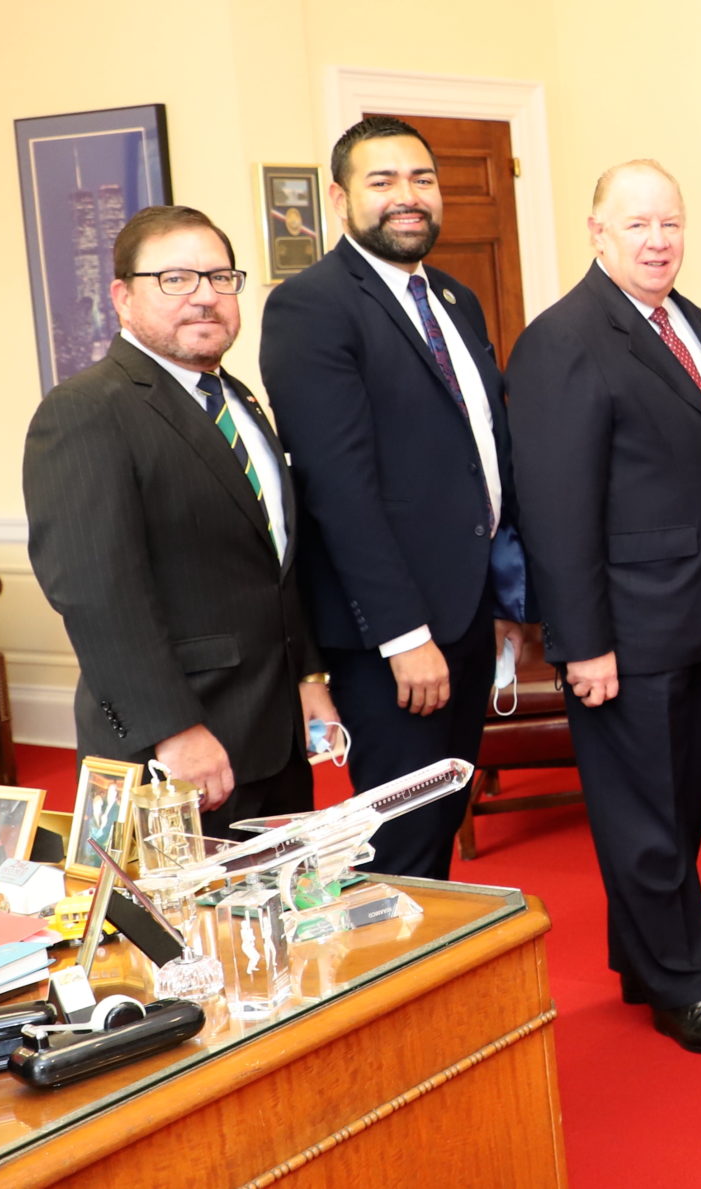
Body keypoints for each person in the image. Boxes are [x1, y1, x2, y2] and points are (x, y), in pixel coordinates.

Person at [506, 161, 701, 1056]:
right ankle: (680, 986)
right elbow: (556, 510)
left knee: (681, 806)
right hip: (624, 633)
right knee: (644, 818)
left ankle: (650, 955)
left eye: (672, 224)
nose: (659, 241)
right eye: (639, 225)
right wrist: (583, 643)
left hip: (700, 614)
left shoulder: (685, 318)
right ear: (596, 232)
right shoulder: (563, 340)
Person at [261, 116, 527, 880]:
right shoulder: (312, 307)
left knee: (440, 823)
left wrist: (504, 591)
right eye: (383, 182)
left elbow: (482, 457)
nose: (407, 197)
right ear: (341, 201)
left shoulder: (454, 298)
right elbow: (339, 488)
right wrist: (404, 636)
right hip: (396, 636)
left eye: (421, 179)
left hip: (470, 613)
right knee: (399, 846)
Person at [25, 205, 337, 831]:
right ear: (123, 297)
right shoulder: (87, 411)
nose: (205, 297)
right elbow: (96, 598)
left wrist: (307, 675)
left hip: (272, 735)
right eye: (176, 280)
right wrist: (175, 731)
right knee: (184, 929)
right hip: (175, 753)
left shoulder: (240, 400)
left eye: (221, 278)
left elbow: (272, 562)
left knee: (275, 921)